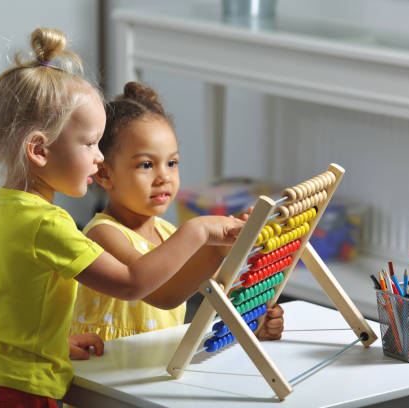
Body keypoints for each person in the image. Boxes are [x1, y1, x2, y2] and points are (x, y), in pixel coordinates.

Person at [0, 28, 245, 408]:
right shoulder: (48, 225)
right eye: (89, 144)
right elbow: (133, 284)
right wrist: (199, 229)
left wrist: (50, 341)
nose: (98, 158)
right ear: (39, 150)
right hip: (15, 391)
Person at [70, 81, 284, 343]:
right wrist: (203, 236)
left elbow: (223, 294)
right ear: (104, 173)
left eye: (172, 163)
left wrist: (256, 320)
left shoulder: (170, 235)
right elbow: (161, 291)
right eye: (146, 165)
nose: (164, 177)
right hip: (106, 366)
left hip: (157, 362)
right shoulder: (102, 235)